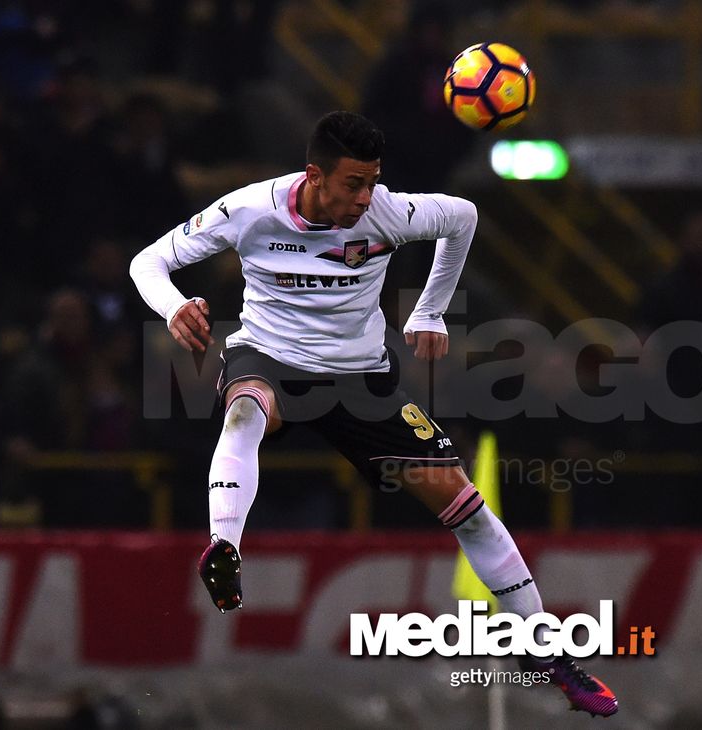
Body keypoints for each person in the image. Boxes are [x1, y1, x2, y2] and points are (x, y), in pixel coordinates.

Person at [129, 111, 617, 717]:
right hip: (271, 354)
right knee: (245, 411)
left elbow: (462, 217)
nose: (366, 197)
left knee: (467, 508)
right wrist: (175, 307)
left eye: (373, 181)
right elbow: (147, 263)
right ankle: (223, 546)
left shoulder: (386, 211)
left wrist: (431, 310)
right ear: (315, 175)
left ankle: (547, 655)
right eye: (354, 184)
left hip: (361, 377)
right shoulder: (250, 210)